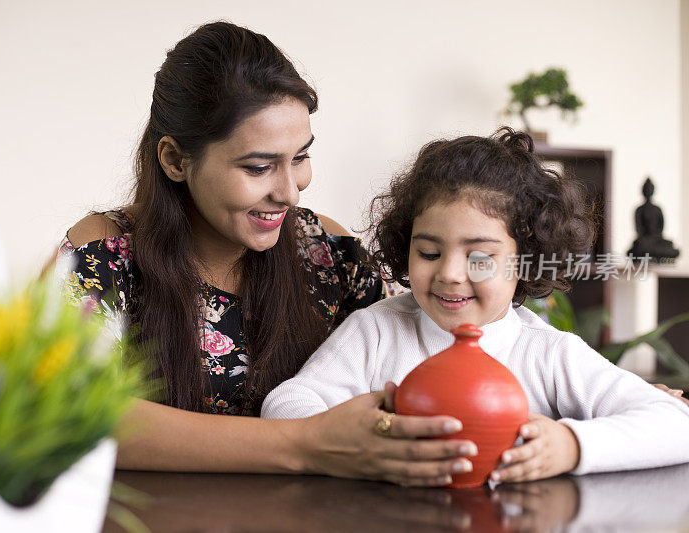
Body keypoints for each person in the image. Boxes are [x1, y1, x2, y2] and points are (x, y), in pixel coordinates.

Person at [57, 21, 475, 486]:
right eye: (258, 167)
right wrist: (307, 444)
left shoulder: (330, 256)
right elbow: (70, 416)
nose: (290, 193)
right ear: (175, 160)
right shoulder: (102, 255)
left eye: (300, 158)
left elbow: (431, 346)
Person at [261, 128, 689, 482]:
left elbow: (677, 424)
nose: (449, 273)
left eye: (480, 258)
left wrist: (571, 446)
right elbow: (286, 405)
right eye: (429, 253)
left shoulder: (549, 353)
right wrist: (365, 432)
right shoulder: (374, 331)